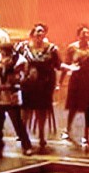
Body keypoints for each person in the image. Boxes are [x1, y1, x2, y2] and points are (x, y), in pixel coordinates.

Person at [19, 23, 61, 152]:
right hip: (28, 84)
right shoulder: (23, 48)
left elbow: (58, 65)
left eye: (42, 31)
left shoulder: (51, 49)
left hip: (44, 84)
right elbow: (16, 62)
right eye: (37, 31)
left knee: (41, 110)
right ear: (32, 33)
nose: (39, 34)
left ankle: (42, 135)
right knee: (25, 110)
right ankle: (23, 136)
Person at [61, 25, 89, 148]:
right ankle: (67, 129)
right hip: (76, 80)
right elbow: (67, 63)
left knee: (88, 109)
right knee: (72, 107)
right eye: (83, 33)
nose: (86, 35)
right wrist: (60, 81)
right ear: (78, 35)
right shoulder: (72, 48)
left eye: (87, 33)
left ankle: (85, 135)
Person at [0, 42, 33, 155]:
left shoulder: (20, 61)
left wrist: (8, 70)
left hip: (12, 96)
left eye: (4, 51)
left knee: (18, 123)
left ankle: (26, 145)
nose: (2, 53)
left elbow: (20, 78)